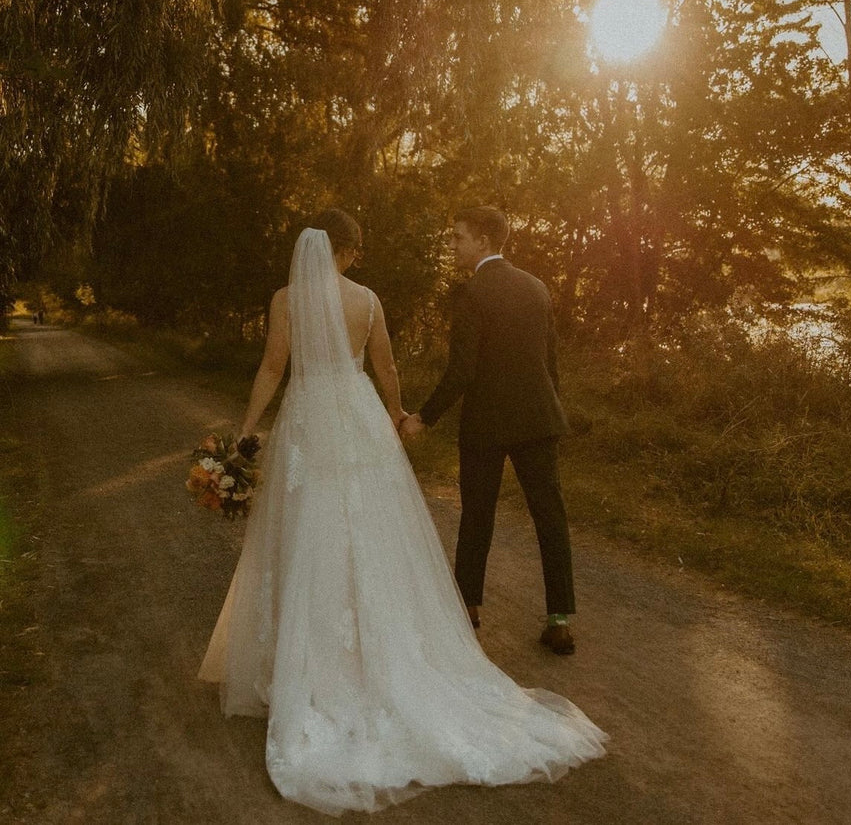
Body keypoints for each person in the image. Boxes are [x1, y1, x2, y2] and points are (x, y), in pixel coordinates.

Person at [198, 208, 605, 815]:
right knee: (378, 527)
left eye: (460, 237)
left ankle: (320, 653)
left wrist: (246, 430)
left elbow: (273, 368)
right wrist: (395, 415)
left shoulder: (285, 299)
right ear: (350, 250)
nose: (454, 243)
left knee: (312, 528)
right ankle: (536, 617)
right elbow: (388, 366)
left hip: (313, 419)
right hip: (366, 416)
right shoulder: (369, 299)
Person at [401, 206, 577, 655]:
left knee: (478, 514)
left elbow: (462, 370)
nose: (453, 244)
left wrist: (424, 416)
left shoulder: (472, 293)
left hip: (486, 425)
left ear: (482, 240)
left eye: (459, 237)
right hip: (539, 420)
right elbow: (549, 363)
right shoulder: (536, 287)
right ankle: (559, 621)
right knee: (550, 517)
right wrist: (553, 413)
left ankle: (469, 608)